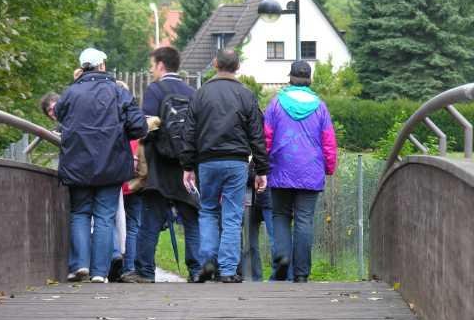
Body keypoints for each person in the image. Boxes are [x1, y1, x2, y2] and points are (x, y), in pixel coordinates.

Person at [55, 48, 148, 283]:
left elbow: (59, 116)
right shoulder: (118, 92)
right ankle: (99, 272)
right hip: (111, 164)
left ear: (82, 67)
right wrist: (120, 134)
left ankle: (80, 265)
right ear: (102, 66)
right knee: (105, 217)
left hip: (77, 164)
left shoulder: (70, 92)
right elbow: (139, 127)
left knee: (80, 213)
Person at [181, 49, 269, 283]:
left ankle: (207, 260)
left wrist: (187, 166)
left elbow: (188, 132)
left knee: (208, 210)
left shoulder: (200, 94)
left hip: (207, 162)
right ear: (237, 67)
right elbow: (257, 135)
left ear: (215, 64)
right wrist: (261, 170)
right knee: (232, 216)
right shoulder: (246, 95)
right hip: (236, 162)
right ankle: (228, 270)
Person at [122, 46, 202, 283]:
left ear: (160, 65)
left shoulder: (155, 90)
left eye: (152, 65)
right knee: (191, 220)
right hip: (186, 167)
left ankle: (145, 271)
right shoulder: (192, 92)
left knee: (150, 220)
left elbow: (145, 127)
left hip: (159, 166)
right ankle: (197, 270)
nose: (151, 70)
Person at [264, 60, 337, 283]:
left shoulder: (276, 104)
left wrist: (261, 165)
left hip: (280, 169)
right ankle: (302, 273)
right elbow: (328, 141)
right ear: (309, 80)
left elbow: (266, 137)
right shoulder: (320, 107)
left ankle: (283, 259)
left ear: (290, 78)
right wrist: (329, 166)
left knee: (280, 215)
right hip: (310, 171)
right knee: (304, 220)